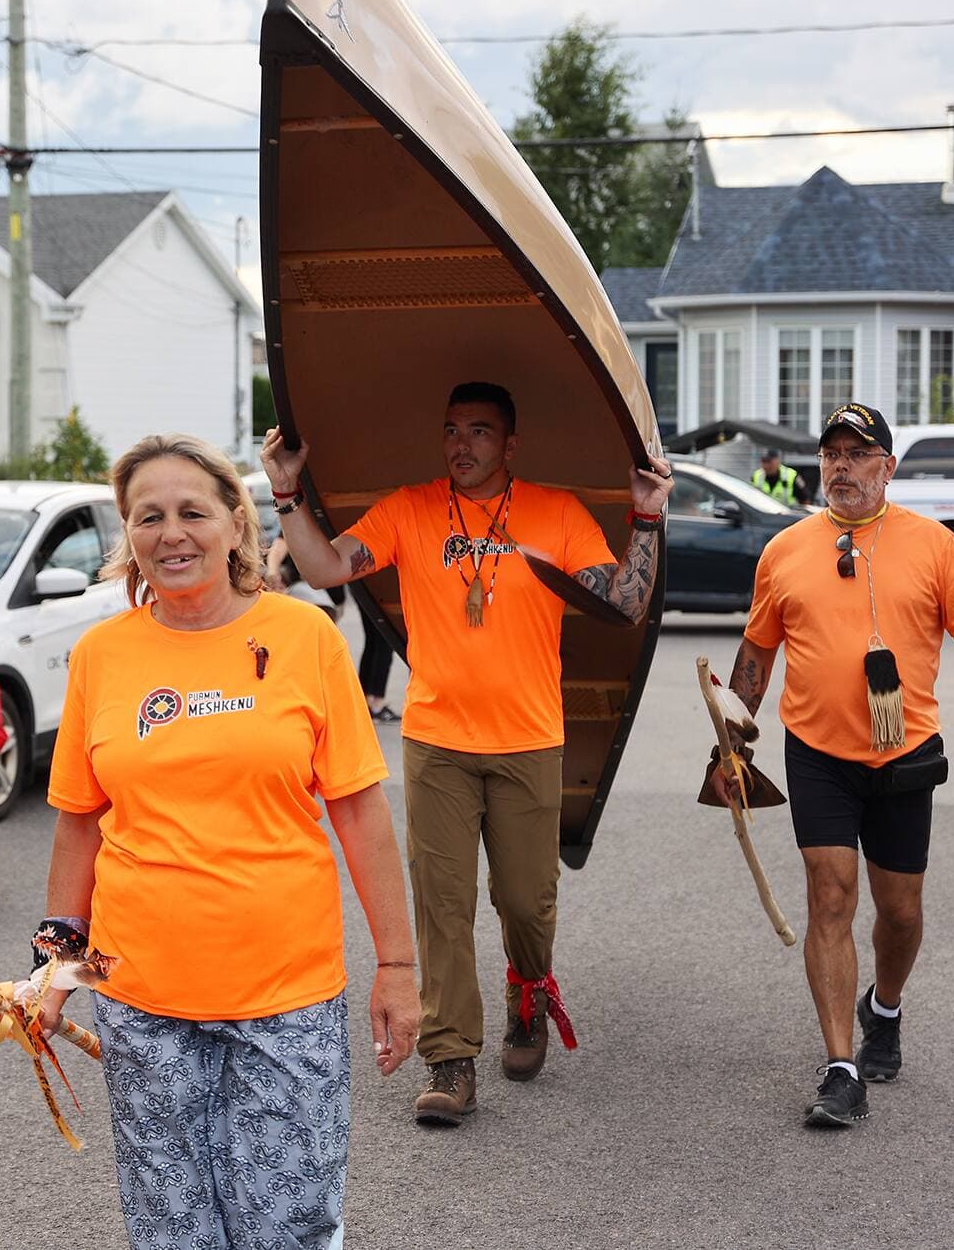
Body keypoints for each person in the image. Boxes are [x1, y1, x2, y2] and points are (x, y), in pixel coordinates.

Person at [37, 432, 417, 1248]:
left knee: (288, 1227)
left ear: (236, 525)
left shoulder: (306, 639)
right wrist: (55, 967)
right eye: (148, 518)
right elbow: (78, 825)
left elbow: (360, 814)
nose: (171, 533)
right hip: (142, 997)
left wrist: (397, 966)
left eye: (191, 512)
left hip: (286, 995)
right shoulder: (101, 655)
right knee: (173, 1231)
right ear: (129, 540)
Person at [263, 381, 671, 1124]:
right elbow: (325, 569)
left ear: (510, 445)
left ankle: (529, 986)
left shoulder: (554, 512)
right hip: (437, 741)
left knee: (526, 901)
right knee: (441, 904)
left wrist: (646, 515)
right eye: (453, 430)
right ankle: (451, 1060)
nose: (462, 444)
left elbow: (624, 600)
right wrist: (287, 495)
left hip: (529, 740)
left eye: (480, 432)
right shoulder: (411, 508)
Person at [713, 403, 954, 1128]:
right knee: (832, 894)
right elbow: (756, 654)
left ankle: (886, 1006)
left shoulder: (936, 546)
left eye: (857, 453)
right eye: (831, 453)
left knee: (900, 913)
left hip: (905, 753)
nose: (841, 465)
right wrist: (732, 744)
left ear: (887, 468)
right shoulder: (784, 550)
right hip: (816, 754)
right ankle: (841, 1065)